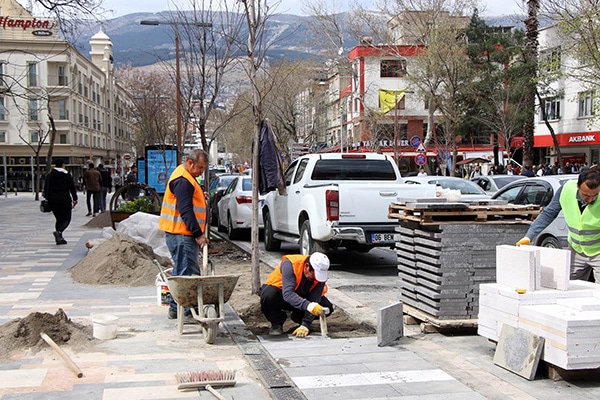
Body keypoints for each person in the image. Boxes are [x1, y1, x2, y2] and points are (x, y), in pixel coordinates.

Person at [516, 167, 600, 281]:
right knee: (568, 285)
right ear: (578, 186)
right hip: (576, 249)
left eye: (594, 195)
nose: (590, 199)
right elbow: (548, 213)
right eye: (586, 195)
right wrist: (528, 236)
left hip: (598, 251)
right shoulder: (566, 189)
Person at [159, 150, 210, 320]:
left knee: (182, 271)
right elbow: (186, 209)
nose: (201, 172)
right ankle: (187, 311)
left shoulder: (185, 178)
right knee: (187, 274)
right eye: (200, 168)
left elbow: (187, 201)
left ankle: (176, 309)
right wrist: (198, 234)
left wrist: (200, 197)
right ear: (190, 163)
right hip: (182, 234)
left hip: (181, 234)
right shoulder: (183, 180)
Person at [260, 252, 334, 337]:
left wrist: (305, 324)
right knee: (268, 296)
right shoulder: (290, 264)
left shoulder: (320, 275)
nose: (315, 278)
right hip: (281, 295)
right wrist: (308, 306)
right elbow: (288, 294)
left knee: (326, 307)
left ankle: (299, 317)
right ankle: (277, 323)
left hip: (302, 297)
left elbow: (315, 298)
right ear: (307, 266)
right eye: (314, 275)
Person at [43, 159, 78, 245]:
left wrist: (47, 198)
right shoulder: (66, 175)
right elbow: (72, 187)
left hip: (52, 199)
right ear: (63, 165)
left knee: (58, 218)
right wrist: (75, 198)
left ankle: (60, 238)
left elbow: (45, 187)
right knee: (66, 218)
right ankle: (59, 232)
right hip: (64, 198)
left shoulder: (50, 175)